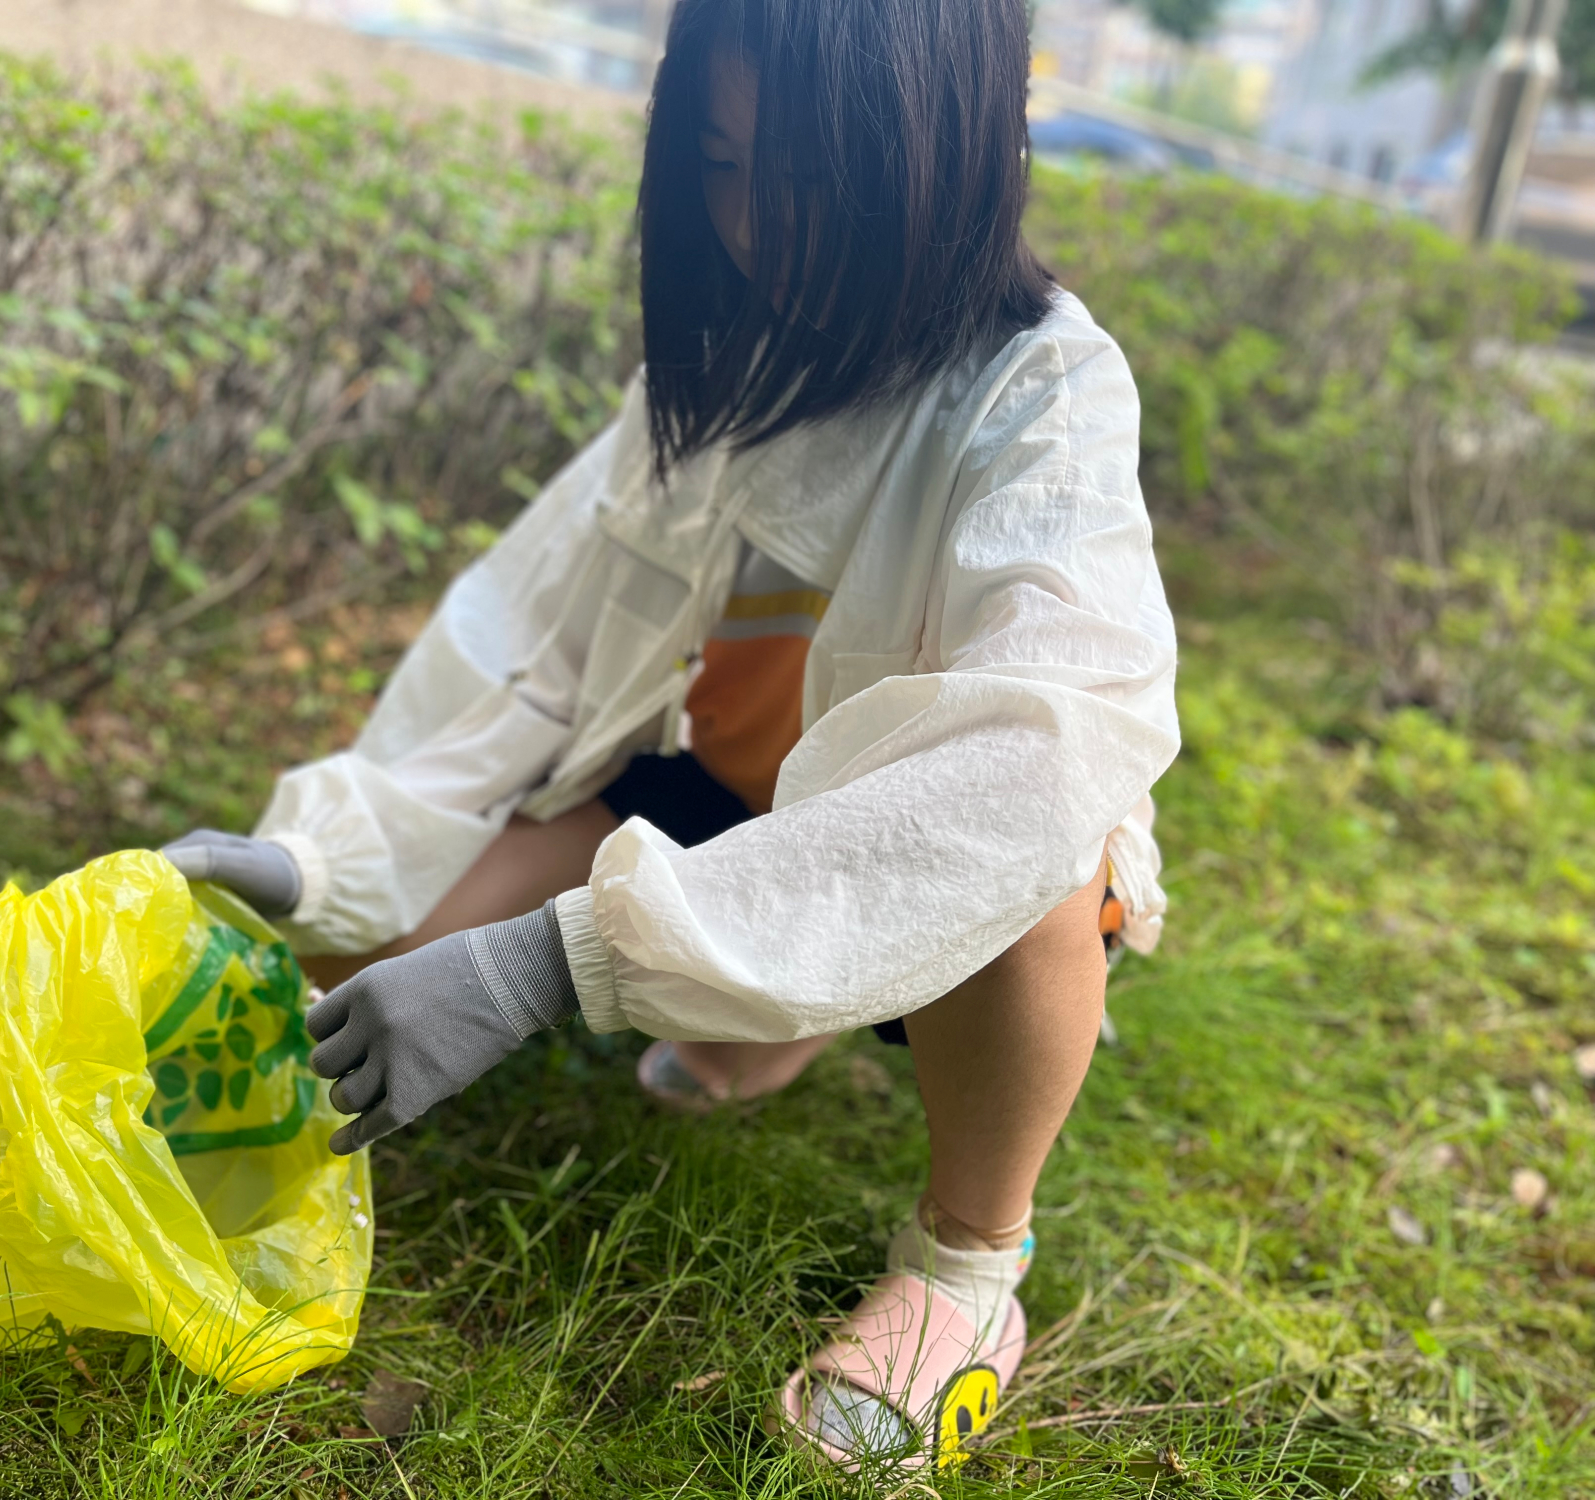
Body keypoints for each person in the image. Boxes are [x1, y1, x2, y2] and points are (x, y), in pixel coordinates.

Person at [162, 0, 1178, 1471]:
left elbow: (1038, 754)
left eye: (813, 184)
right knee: (357, 965)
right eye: (718, 164)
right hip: (717, 807)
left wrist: (540, 964)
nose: (758, 229)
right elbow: (525, 646)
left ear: (945, 155)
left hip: (950, 888)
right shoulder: (727, 365)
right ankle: (768, 1012)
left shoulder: (1045, 394)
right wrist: (327, 857)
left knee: (1038, 858)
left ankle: (968, 1266)